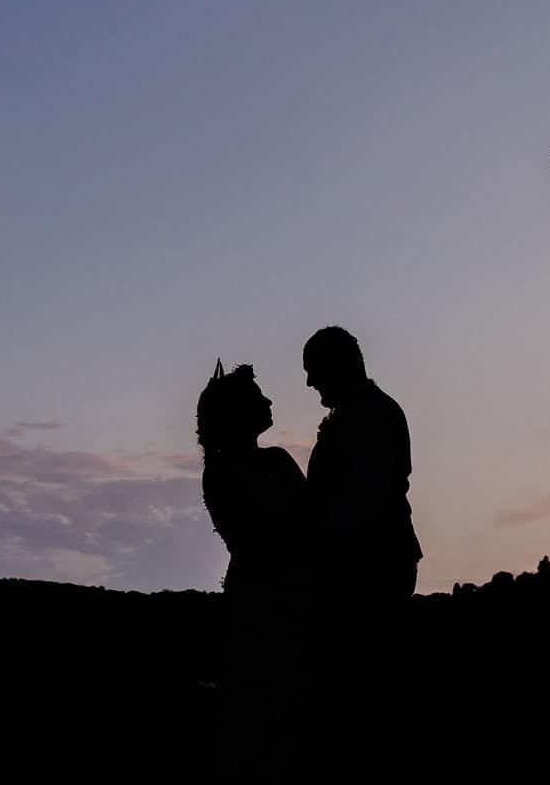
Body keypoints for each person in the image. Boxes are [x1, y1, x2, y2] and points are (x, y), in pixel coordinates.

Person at [301, 326, 421, 777]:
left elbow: (365, 500)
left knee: (370, 693)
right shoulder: (361, 412)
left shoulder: (372, 414)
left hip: (370, 569)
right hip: (361, 566)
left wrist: (314, 545)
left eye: (314, 371)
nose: (310, 383)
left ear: (339, 363)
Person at [197, 360, 314, 782]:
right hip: (273, 604)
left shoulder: (227, 471)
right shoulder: (239, 471)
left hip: (268, 599)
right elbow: (295, 529)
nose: (268, 401)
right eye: (257, 397)